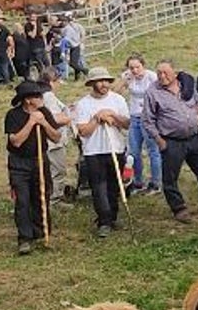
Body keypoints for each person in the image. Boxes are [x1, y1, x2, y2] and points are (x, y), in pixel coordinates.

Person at [143, 58, 198, 224]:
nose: (162, 76)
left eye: (165, 72)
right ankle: (179, 208)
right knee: (170, 178)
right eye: (159, 73)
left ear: (175, 73)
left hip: (195, 137)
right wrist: (159, 140)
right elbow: (148, 120)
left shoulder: (187, 86)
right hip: (172, 141)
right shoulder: (153, 92)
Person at [4, 81, 61, 255]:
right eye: (38, 96)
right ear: (28, 100)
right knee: (22, 201)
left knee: (42, 195)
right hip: (19, 163)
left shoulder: (44, 112)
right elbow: (16, 141)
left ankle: (41, 232)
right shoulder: (13, 115)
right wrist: (31, 122)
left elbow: (56, 137)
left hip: (40, 160)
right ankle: (24, 238)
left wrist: (43, 123)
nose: (41, 98)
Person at [73, 67, 130, 238]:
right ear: (92, 84)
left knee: (115, 184)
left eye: (106, 80)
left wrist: (113, 115)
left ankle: (113, 216)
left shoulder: (118, 100)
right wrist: (97, 118)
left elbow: (126, 123)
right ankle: (103, 220)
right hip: (94, 151)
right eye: (100, 81)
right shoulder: (84, 104)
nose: (104, 84)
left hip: (116, 148)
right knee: (99, 187)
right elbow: (83, 131)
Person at [122, 55, 162, 196]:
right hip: (134, 117)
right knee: (133, 152)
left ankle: (156, 183)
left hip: (149, 117)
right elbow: (117, 91)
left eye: (137, 67)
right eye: (131, 67)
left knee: (153, 151)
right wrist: (124, 81)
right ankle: (138, 181)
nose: (134, 70)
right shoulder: (128, 76)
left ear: (143, 65)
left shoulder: (152, 77)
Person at [38, 68, 74, 203]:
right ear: (52, 82)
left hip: (49, 140)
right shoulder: (48, 96)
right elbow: (54, 119)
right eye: (57, 80)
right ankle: (55, 199)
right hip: (53, 141)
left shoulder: (41, 95)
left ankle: (50, 196)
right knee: (57, 170)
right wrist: (69, 117)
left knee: (51, 169)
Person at [62, 15, 88, 81]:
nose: (62, 23)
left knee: (72, 63)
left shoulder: (68, 29)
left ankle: (84, 70)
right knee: (75, 63)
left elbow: (66, 39)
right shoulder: (70, 27)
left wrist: (63, 47)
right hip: (74, 46)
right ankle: (76, 78)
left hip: (74, 46)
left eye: (63, 21)